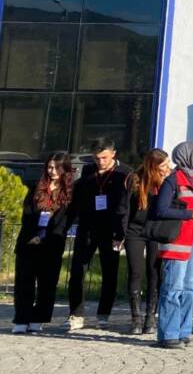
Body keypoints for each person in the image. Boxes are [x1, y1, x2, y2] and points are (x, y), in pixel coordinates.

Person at [65, 137, 130, 330]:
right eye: (96, 158)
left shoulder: (124, 173)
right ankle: (76, 314)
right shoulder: (88, 170)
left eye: (104, 157)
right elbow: (79, 197)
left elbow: (126, 205)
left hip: (111, 229)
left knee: (109, 273)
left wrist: (121, 233)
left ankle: (104, 313)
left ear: (113, 154)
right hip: (87, 227)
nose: (100, 161)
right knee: (77, 271)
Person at [154, 141, 193, 348]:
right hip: (177, 241)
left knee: (190, 288)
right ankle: (168, 334)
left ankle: (183, 330)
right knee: (173, 288)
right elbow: (160, 210)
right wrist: (192, 213)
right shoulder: (172, 180)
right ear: (190, 156)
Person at [12, 153, 74, 334]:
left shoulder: (70, 193)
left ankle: (38, 318)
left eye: (57, 168)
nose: (52, 171)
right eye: (50, 167)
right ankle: (21, 319)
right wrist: (34, 235)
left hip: (52, 243)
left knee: (47, 283)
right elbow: (28, 214)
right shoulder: (36, 188)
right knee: (24, 282)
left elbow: (65, 221)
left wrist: (45, 236)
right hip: (29, 241)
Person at [123, 149, 170, 335]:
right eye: (164, 165)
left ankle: (151, 317)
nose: (167, 168)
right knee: (135, 272)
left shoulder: (167, 181)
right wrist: (120, 233)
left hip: (156, 231)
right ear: (153, 165)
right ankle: (136, 317)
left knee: (155, 272)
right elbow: (125, 208)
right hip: (135, 231)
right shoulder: (135, 179)